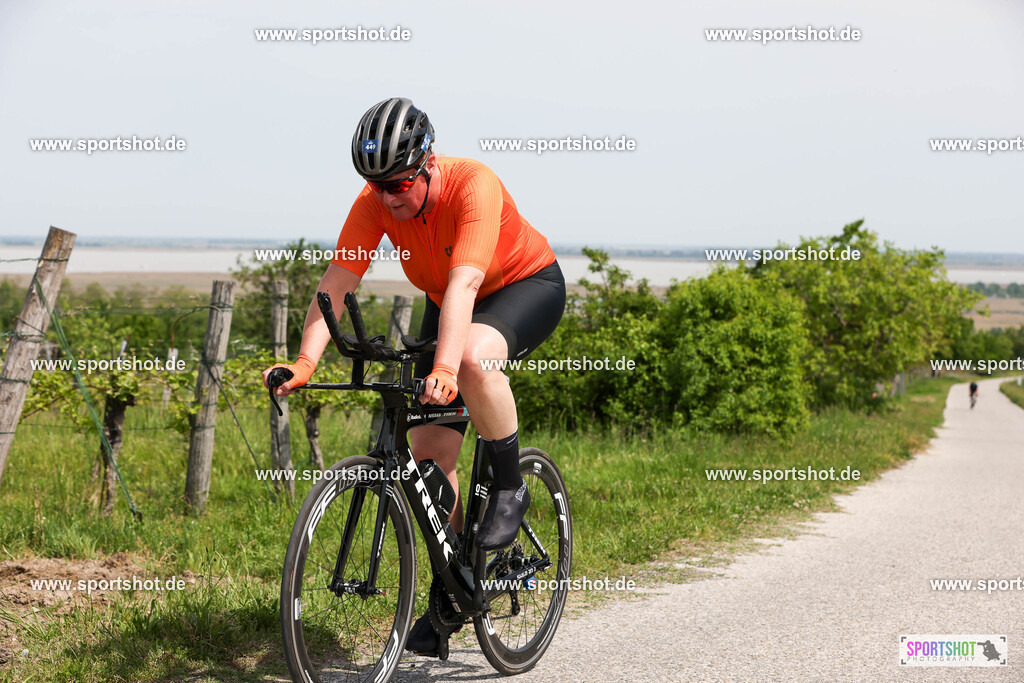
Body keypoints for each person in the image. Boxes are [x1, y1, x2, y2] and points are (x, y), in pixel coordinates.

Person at [261, 97, 566, 656]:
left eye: (399, 183)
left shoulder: (473, 184)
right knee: (428, 458)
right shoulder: (374, 199)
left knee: (472, 358)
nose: (388, 196)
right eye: (376, 186)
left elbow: (466, 286)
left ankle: (509, 483)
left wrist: (446, 368)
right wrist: (305, 361)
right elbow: (336, 282)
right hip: (442, 298)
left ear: (427, 164)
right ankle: (455, 584)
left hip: (521, 287)